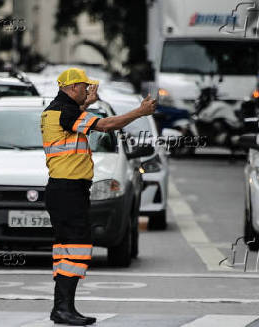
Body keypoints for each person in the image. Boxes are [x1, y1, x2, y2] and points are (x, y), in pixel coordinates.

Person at [41, 67, 156, 326]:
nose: (88, 90)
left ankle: (63, 308)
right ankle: (62, 308)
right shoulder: (65, 111)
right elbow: (106, 125)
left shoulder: (56, 110)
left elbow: (75, 124)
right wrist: (140, 111)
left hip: (63, 189)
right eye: (84, 87)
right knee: (79, 247)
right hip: (68, 190)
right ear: (72, 88)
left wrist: (86, 103)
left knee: (65, 250)